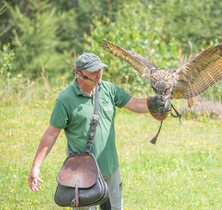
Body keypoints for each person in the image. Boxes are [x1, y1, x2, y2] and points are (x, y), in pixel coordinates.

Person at [28, 52, 170, 210]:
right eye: (93, 71)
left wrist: (155, 104)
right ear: (80, 74)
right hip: (83, 173)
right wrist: (36, 167)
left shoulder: (108, 89)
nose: (98, 74)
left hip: (111, 168)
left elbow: (134, 103)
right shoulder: (65, 100)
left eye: (100, 69)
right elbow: (51, 134)